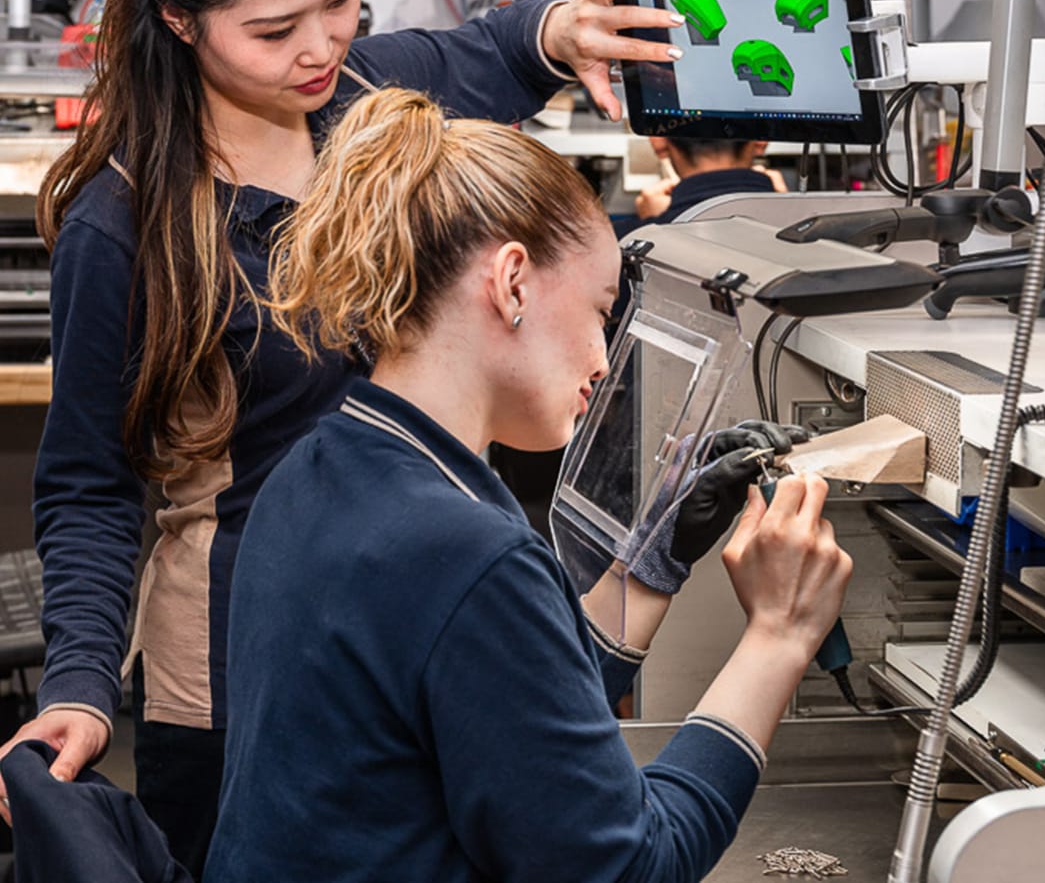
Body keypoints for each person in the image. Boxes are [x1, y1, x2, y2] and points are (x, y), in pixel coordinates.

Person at [0, 0, 688, 878]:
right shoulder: (125, 220)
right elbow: (92, 487)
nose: (320, 47)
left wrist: (570, 24)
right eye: (274, 31)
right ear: (181, 18)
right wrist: (81, 685)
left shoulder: (370, 101)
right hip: (244, 681)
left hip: (421, 629)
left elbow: (501, 50)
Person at [204, 86, 852, 882]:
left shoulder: (322, 469)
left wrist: (654, 558)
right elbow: (629, 868)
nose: (603, 359)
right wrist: (781, 633)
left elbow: (508, 704)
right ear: (512, 283)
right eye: (599, 311)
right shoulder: (465, 548)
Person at [616, 135, 787, 237]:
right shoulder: (805, 235)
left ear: (659, 142)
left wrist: (652, 227)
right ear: (761, 141)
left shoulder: (620, 244)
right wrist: (789, 209)